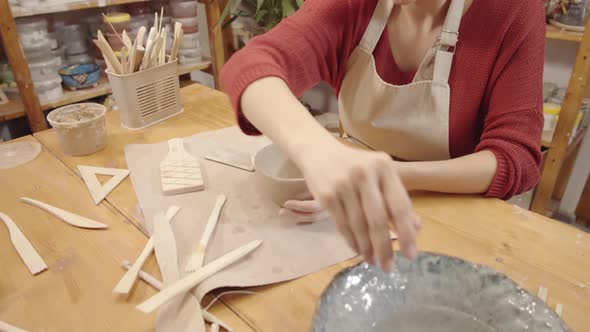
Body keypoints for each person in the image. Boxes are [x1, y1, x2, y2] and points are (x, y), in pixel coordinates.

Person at [220, 0, 545, 272]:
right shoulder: (354, 4)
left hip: (458, 225)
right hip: (356, 219)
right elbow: (251, 65)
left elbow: (515, 156)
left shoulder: (511, 10)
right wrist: (320, 153)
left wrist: (391, 176)